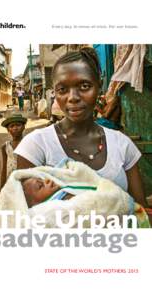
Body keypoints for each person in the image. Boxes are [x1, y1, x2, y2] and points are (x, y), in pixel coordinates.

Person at [14, 47, 150, 216]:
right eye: (62, 89)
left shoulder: (122, 144)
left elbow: (140, 211)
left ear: (99, 86)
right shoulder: (36, 146)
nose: (72, 97)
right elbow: (23, 217)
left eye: (84, 86)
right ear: (54, 92)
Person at [1, 113, 27, 187]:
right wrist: (2, 187)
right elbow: (4, 168)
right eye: (11, 126)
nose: (15, 128)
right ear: (8, 130)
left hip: (25, 179)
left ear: (23, 127)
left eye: (18, 125)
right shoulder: (5, 147)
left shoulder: (28, 143)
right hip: (11, 179)